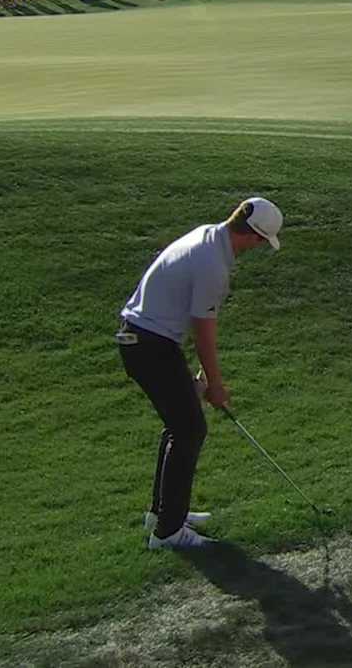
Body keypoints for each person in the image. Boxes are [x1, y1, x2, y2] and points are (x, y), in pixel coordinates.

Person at [117, 197, 285, 550]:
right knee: (190, 428)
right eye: (259, 242)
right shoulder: (213, 264)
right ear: (253, 235)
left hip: (148, 340)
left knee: (180, 425)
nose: (256, 249)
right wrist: (216, 385)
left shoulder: (208, 236)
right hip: (149, 345)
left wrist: (199, 378)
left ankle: (162, 513)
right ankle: (169, 533)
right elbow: (203, 328)